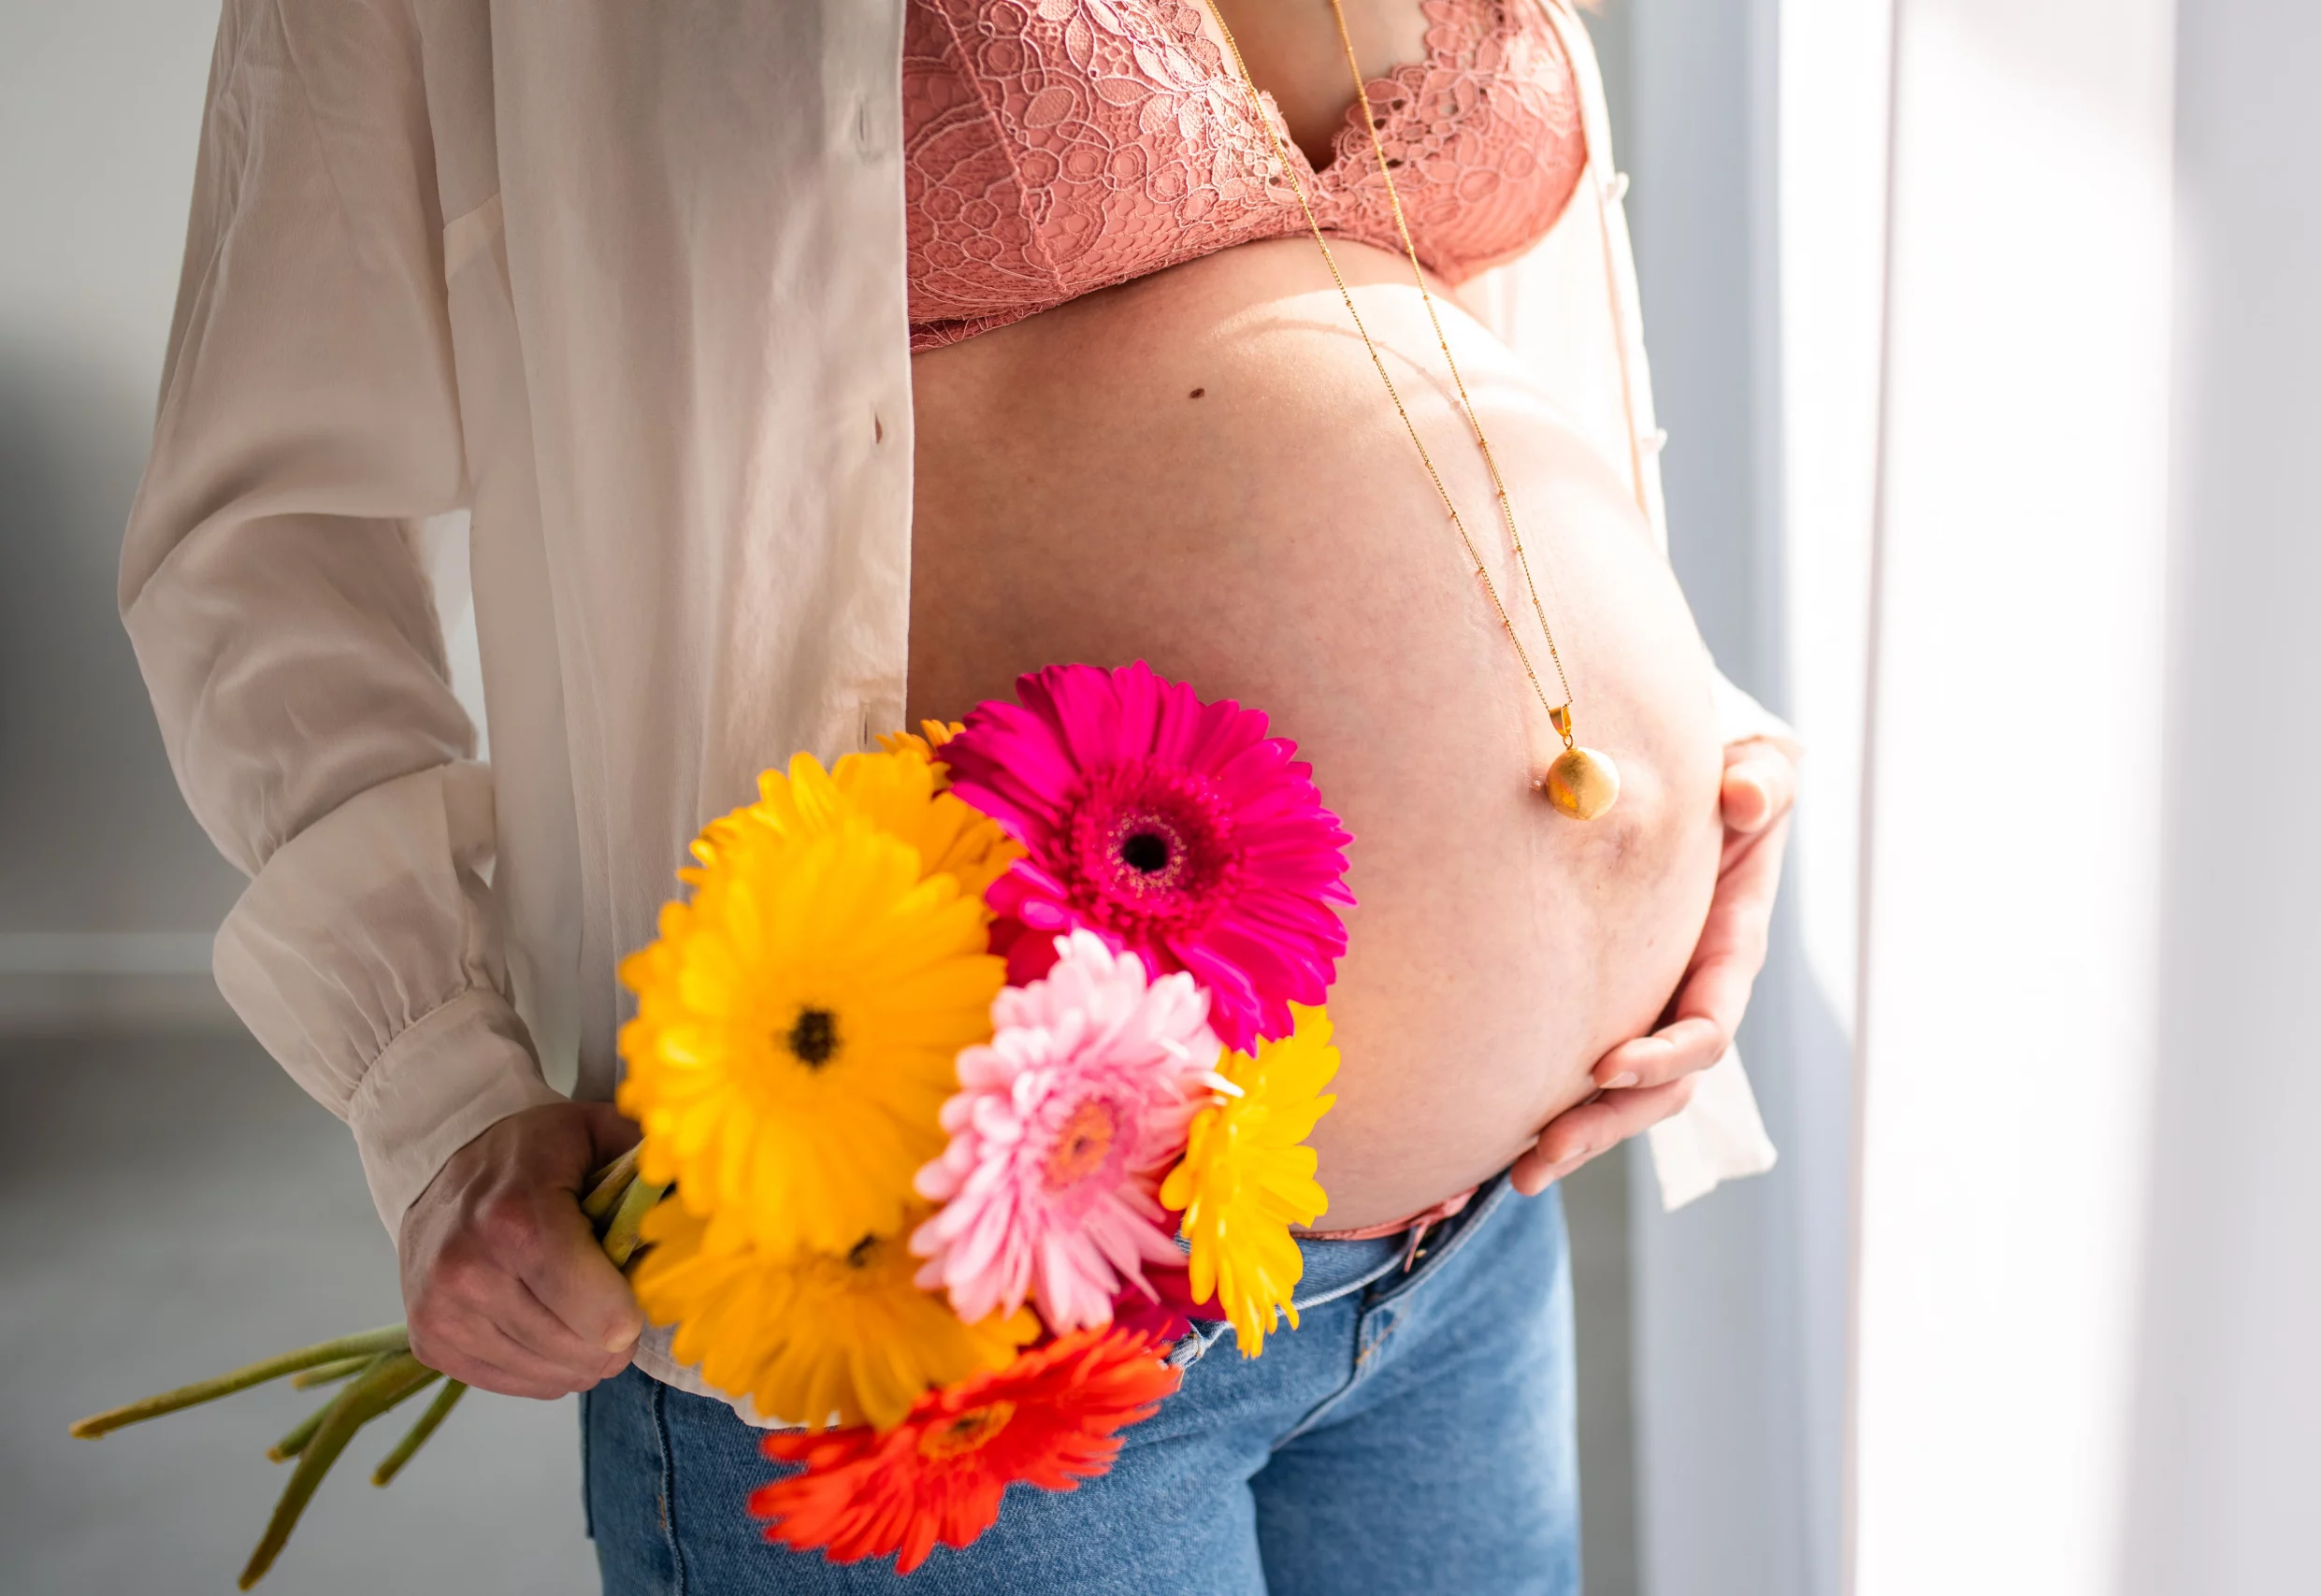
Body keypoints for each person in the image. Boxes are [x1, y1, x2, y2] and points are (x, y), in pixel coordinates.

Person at [123, 1, 1798, 1589]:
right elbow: (267, 535)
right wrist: (438, 1086)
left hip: (1468, 1242)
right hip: (945, 1304)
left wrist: (1696, 763)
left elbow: (1465, 353)